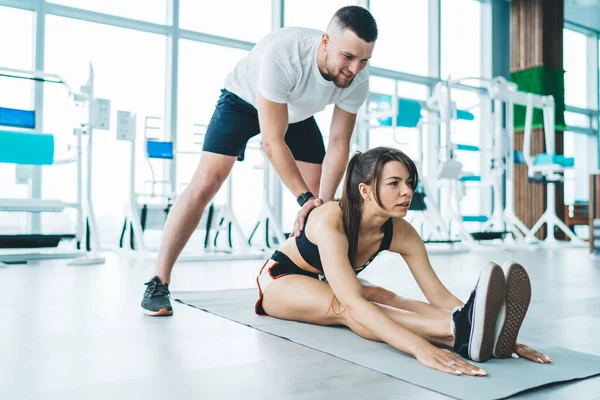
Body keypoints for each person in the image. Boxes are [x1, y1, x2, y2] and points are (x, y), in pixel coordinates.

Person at [141, 6, 378, 316]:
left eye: (364, 60)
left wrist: (319, 200)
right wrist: (304, 198)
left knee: (324, 204)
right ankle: (158, 280)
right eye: (348, 57)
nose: (355, 68)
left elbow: (338, 143)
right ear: (325, 42)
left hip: (296, 113)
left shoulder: (357, 78)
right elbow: (272, 141)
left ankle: (327, 275)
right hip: (243, 100)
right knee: (207, 182)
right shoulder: (285, 54)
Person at [254, 147, 552, 376]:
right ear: (365, 190)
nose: (407, 191)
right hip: (281, 280)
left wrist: (492, 330)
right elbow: (355, 305)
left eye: (409, 182)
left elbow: (438, 295)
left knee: (385, 296)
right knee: (346, 305)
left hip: (323, 279)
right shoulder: (332, 222)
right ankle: (457, 332)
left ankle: (468, 328)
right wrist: (418, 347)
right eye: (394, 183)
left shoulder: (402, 232)